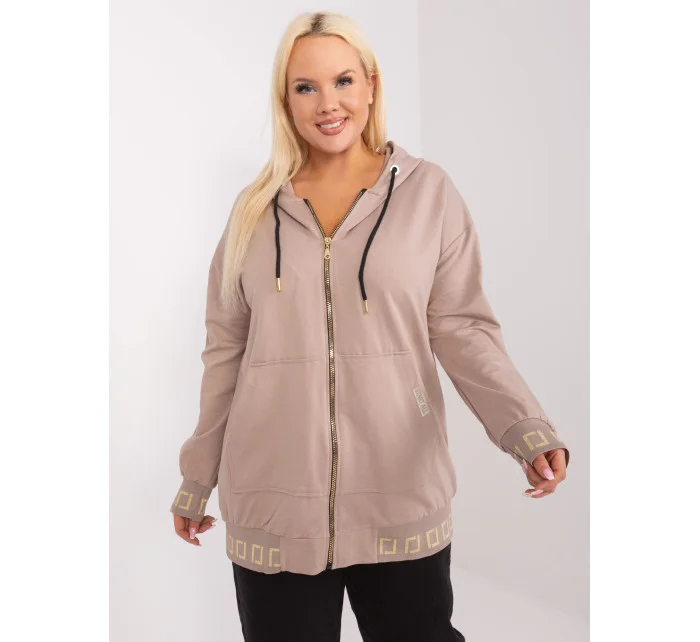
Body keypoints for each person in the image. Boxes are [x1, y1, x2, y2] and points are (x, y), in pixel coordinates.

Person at [169, 10, 570, 642]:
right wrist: (197, 478)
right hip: (274, 502)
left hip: (398, 488)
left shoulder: (428, 193)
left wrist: (524, 426)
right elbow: (226, 350)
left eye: (343, 81)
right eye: (306, 87)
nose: (328, 103)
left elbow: (462, 327)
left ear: (371, 85)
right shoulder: (254, 211)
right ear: (286, 100)